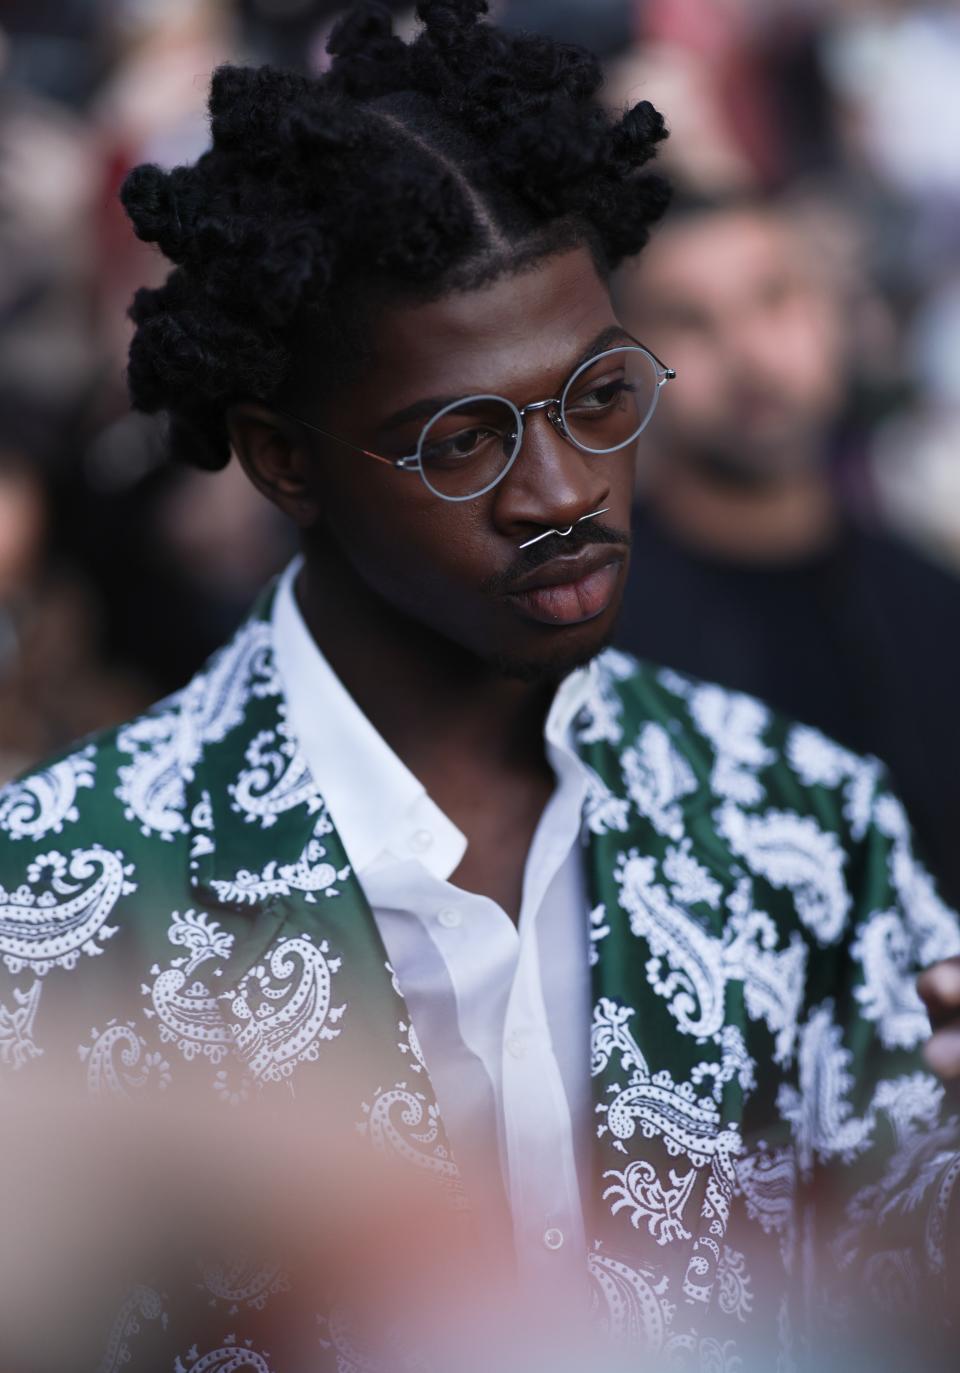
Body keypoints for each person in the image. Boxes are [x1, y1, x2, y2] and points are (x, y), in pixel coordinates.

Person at [1, 5, 959, 1368]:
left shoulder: (802, 826)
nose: (563, 490)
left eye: (598, 397)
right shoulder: (57, 899)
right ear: (283, 461)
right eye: (461, 440)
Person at [611, 191, 960, 910]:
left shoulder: (934, 607)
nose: (748, 355)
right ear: (627, 363)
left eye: (775, 299)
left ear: (840, 317)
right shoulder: (597, 629)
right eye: (689, 320)